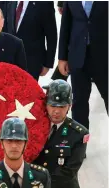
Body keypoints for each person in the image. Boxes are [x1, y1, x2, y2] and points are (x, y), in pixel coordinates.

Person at [58, 1, 108, 129]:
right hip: (78, 58)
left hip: (104, 58)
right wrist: (62, 58)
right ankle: (80, 144)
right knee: (79, 103)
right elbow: (65, 27)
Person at [33, 79, 89, 188]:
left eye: (62, 107)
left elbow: (68, 172)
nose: (57, 111)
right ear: (45, 104)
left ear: (69, 106)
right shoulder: (33, 126)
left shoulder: (79, 134)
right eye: (53, 105)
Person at [0, 117, 51, 188]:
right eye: (9, 141)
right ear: (2, 144)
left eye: (18, 141)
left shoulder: (41, 176)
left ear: (25, 144)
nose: (14, 146)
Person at [6, 1, 57, 81]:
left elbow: (51, 36)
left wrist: (48, 64)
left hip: (32, 63)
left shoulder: (44, 3)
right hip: (9, 62)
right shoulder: (10, 2)